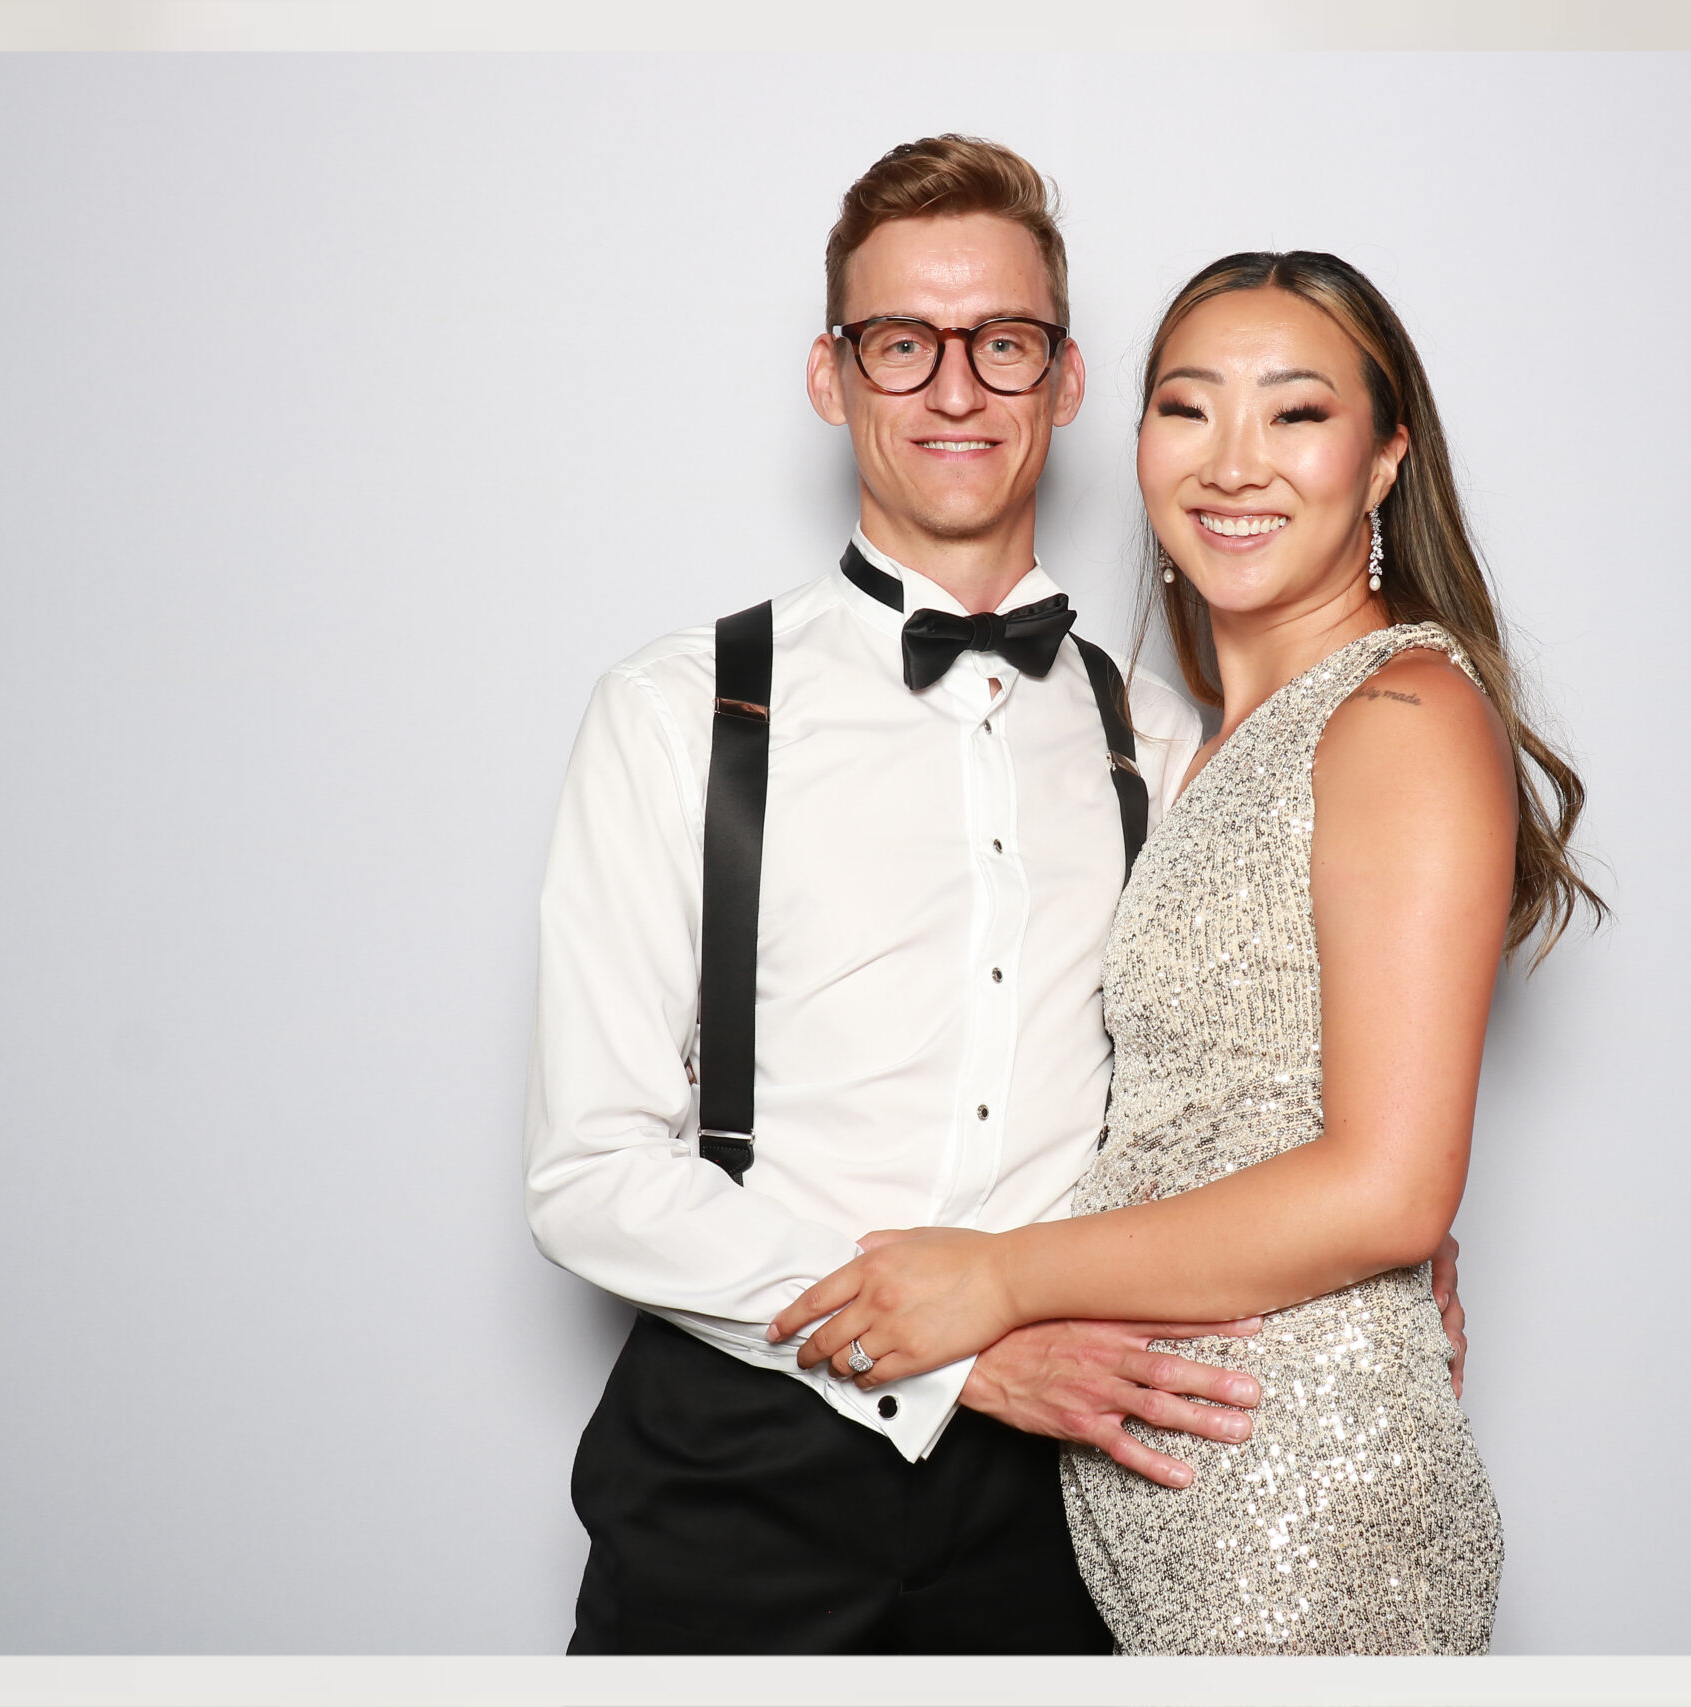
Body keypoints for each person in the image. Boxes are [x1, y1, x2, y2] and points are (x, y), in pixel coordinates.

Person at [523, 140, 1468, 1655]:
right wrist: (955, 1357)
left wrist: (1390, 1259)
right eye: (903, 344)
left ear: (1067, 380)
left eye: (1002, 344)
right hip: (736, 1479)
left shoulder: (1170, 745)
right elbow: (589, 1171)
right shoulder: (673, 709)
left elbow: (1254, 1067)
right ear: (832, 378)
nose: (955, 391)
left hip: (1067, 1507)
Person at [771, 250, 1602, 1655]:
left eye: (1295, 414)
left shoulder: (1399, 711)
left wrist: (1003, 1278)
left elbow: (1390, 1188)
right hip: (1154, 1485)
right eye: (1187, 409)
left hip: (1299, 1488)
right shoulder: (1180, 741)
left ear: (1386, 458)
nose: (1233, 464)